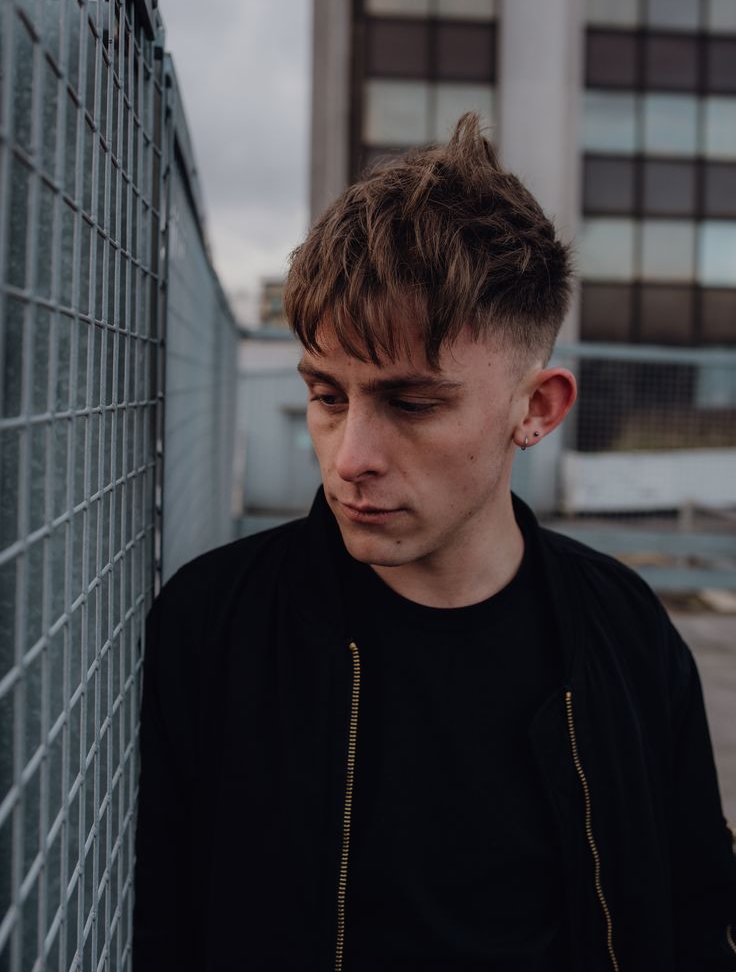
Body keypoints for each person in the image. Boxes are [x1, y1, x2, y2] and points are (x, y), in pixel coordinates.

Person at [132, 115, 736, 972]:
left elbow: (696, 915)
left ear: (538, 409)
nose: (351, 459)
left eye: (411, 404)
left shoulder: (625, 634)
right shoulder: (210, 625)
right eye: (327, 395)